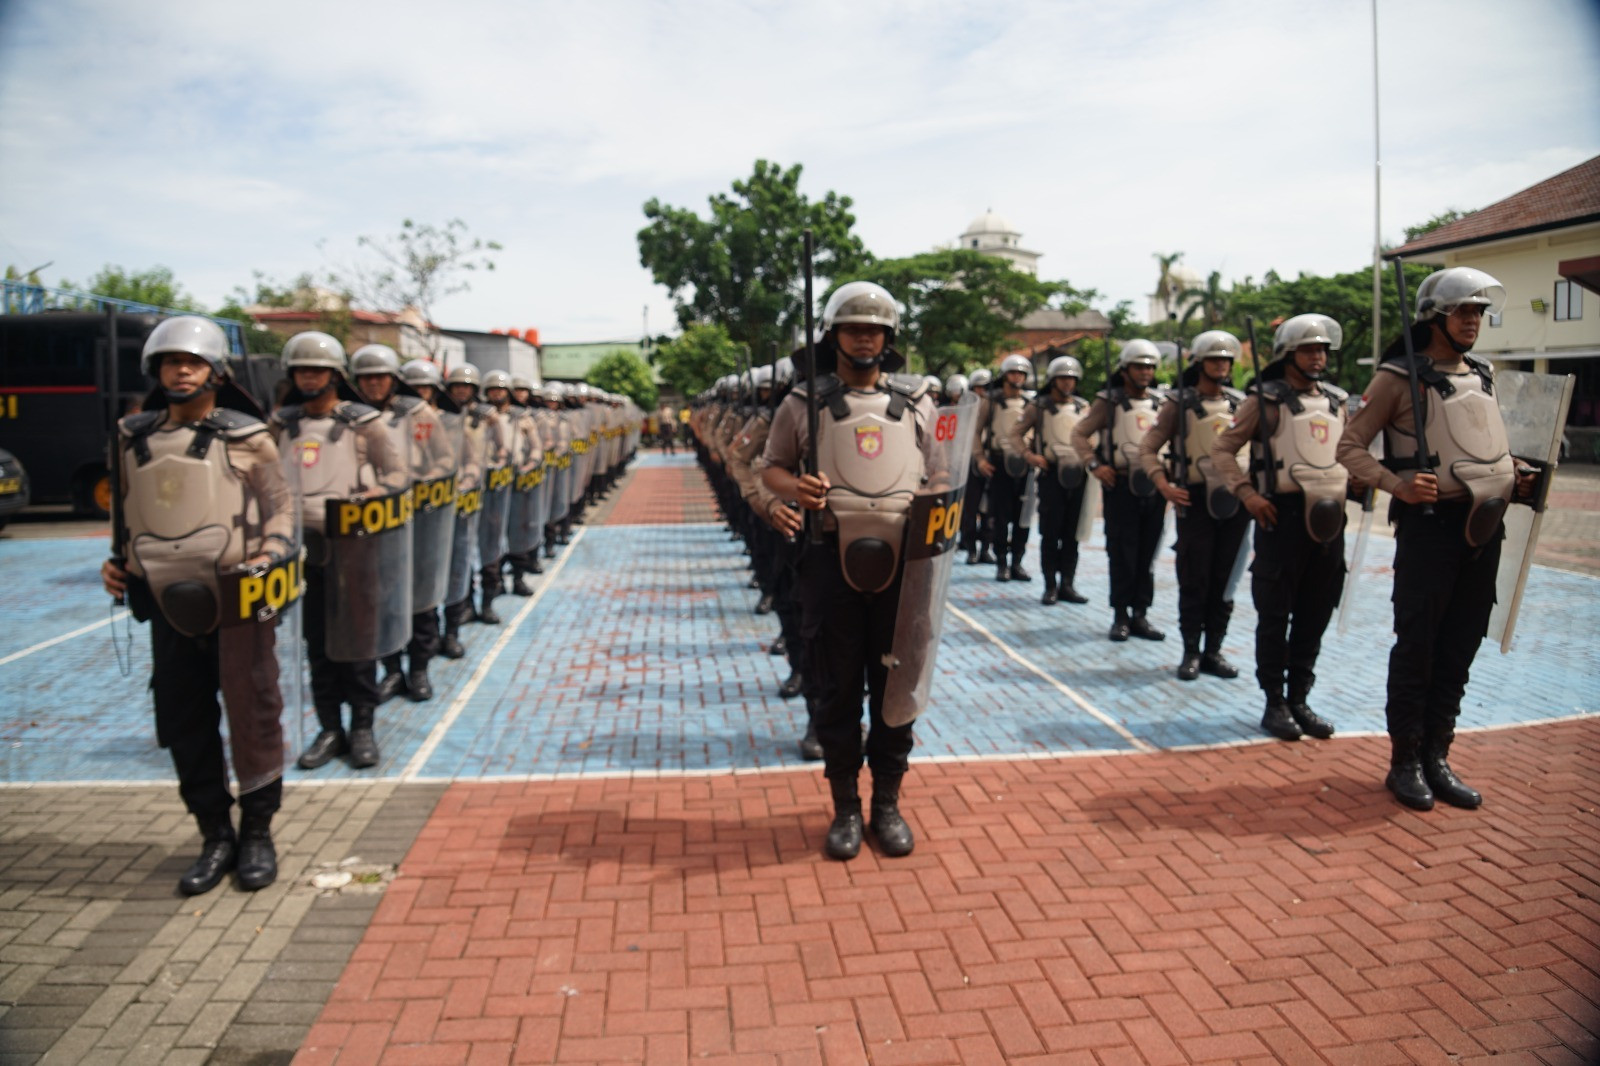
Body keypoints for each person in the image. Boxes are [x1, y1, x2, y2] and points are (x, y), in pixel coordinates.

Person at [101, 316, 297, 894]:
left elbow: (281, 509)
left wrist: (271, 554)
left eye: (192, 362)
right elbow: (125, 514)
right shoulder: (131, 436)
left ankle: (257, 832)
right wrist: (117, 562)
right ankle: (215, 834)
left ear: (216, 372)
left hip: (241, 598)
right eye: (169, 362)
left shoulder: (248, 435)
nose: (180, 371)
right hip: (166, 600)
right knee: (183, 721)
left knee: (255, 712)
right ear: (154, 372)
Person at [1337, 267, 1536, 811]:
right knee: (1419, 646)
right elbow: (1350, 447)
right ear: (1434, 317)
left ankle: (1438, 756)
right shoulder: (1397, 378)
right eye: (1462, 311)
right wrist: (1398, 484)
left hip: (1484, 530)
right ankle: (1405, 761)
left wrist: (1513, 470)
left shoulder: (1484, 373)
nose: (1473, 320)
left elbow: (1480, 444)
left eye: (1478, 311)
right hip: (1430, 531)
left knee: (1460, 645)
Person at [761, 281, 940, 861]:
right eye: (853, 327)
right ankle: (845, 807)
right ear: (833, 335)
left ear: (888, 339)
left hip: (902, 567)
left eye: (875, 329)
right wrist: (798, 487)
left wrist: (933, 510)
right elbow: (771, 471)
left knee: (896, 690)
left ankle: (886, 804)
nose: (865, 337)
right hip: (828, 563)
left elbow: (940, 478)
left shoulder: (918, 402)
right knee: (835, 687)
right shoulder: (801, 403)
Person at [1210, 315, 1349, 743]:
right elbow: (1222, 449)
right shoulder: (1264, 401)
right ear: (1289, 355)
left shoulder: (1337, 401)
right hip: (1281, 516)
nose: (1318, 357)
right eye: (1309, 350)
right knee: (1275, 615)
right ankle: (1274, 701)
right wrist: (1246, 493)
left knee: (1316, 613)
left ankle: (1300, 697)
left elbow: (1352, 450)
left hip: (1329, 521)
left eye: (1323, 350)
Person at [273, 332, 407, 771]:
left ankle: (363, 726)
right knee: (316, 644)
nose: (309, 377)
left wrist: (375, 493)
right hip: (298, 552)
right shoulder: (279, 424)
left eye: (318, 369)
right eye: (302, 369)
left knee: (358, 639)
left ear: (335, 375)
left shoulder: (363, 423)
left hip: (354, 546)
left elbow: (398, 474)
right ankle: (330, 727)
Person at [1140, 332, 1251, 679]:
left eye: (1226, 360)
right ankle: (1190, 650)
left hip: (1235, 501)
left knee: (1226, 578)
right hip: (1195, 500)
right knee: (1195, 577)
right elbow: (1148, 448)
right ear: (1199, 363)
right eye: (1215, 359)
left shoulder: (1242, 403)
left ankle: (1213, 651)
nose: (1222, 365)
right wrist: (1163, 484)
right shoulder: (1179, 404)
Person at [352, 345, 451, 703]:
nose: (373, 384)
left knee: (419, 596)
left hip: (417, 516)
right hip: (368, 523)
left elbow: (444, 459)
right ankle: (392, 670)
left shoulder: (417, 413)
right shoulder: (350, 416)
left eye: (380, 377)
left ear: (394, 380)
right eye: (366, 378)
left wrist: (422, 481)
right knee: (383, 600)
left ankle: (419, 670)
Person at [1070, 340, 1168, 641]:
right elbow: (1079, 434)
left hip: (1153, 485)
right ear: (1125, 370)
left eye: (1150, 367)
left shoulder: (1160, 402)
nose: (1145, 372)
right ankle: (1120, 615)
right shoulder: (1108, 402)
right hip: (1121, 484)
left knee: (1147, 554)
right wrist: (1094, 464)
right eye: (1139, 366)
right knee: (1122, 554)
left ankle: (1141, 614)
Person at [1007, 356, 1091, 605]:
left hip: (1077, 475)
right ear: (1053, 380)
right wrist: (1030, 456)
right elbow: (1015, 434)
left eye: (1072, 378)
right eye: (1063, 378)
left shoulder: (1082, 407)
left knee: (1072, 533)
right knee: (1051, 532)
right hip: (1051, 475)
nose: (1068, 383)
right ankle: (1050, 585)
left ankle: (1068, 583)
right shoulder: (1039, 407)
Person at [974, 353, 1036, 582]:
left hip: (1025, 463)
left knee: (1023, 517)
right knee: (1000, 517)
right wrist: (980, 458)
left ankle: (1017, 562)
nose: (1017, 377)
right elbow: (975, 432)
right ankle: (1002, 563)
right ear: (1005, 375)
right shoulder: (990, 402)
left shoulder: (1031, 403)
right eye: (1013, 372)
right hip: (999, 462)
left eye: (1021, 373)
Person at [961, 368, 993, 564]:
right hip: (969, 464)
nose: (982, 392)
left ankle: (986, 549)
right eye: (978, 388)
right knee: (970, 510)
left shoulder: (995, 408)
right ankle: (971, 549)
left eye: (985, 388)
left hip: (989, 463)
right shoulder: (965, 410)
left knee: (990, 511)